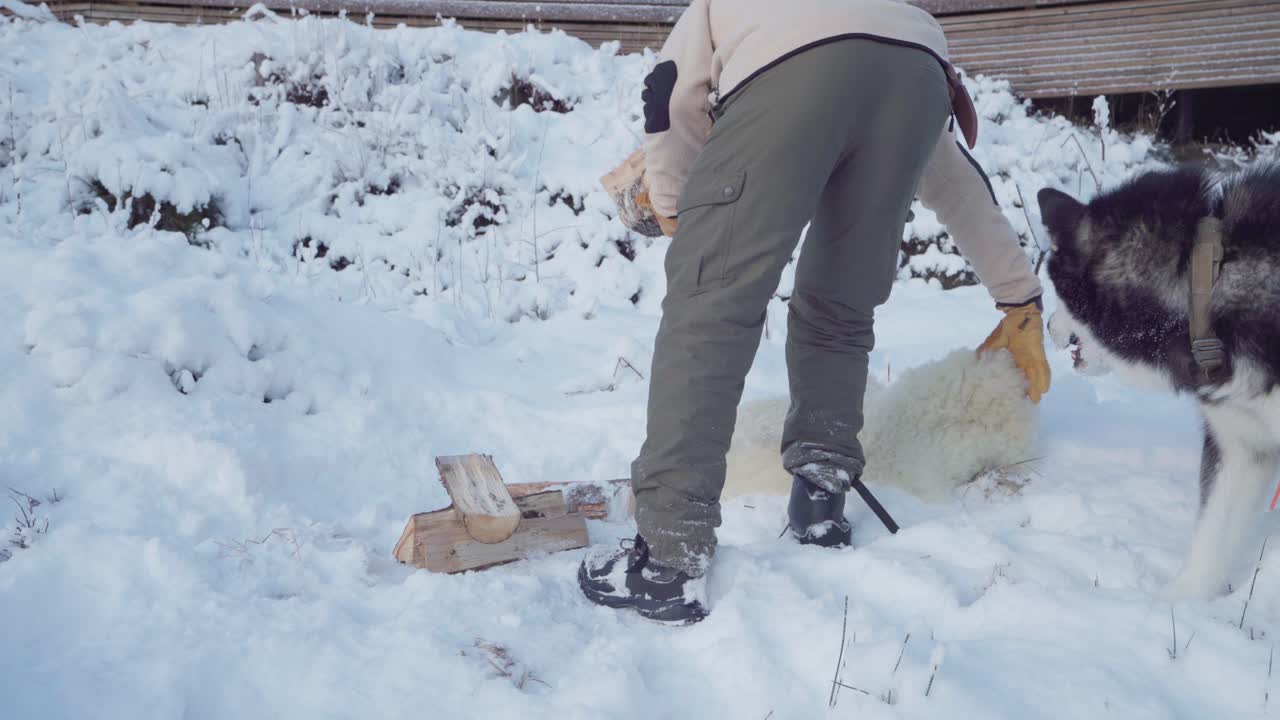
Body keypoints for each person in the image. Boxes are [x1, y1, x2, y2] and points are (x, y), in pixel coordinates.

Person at [579, 0, 1051, 624]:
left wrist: (671, 203)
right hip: (918, 70)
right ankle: (821, 500)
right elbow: (956, 179)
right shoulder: (886, 17)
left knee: (712, 305)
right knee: (839, 305)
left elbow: (671, 97)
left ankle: (667, 557)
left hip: (792, 74)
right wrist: (1020, 297)